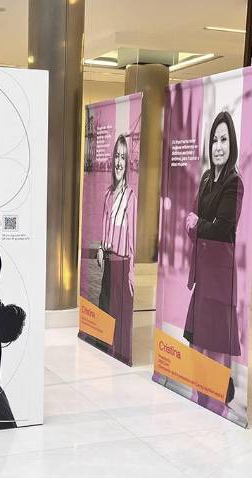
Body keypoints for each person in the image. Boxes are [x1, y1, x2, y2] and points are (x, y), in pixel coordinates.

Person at [184, 111, 244, 407]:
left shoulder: (234, 183)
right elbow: (196, 219)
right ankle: (201, 393)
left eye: (224, 140)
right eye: (214, 140)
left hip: (221, 278)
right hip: (204, 274)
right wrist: (198, 226)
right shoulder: (207, 178)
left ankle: (217, 397)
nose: (218, 146)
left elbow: (223, 228)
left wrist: (198, 225)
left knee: (217, 345)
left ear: (231, 143)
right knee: (196, 341)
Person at [95, 134, 137, 362]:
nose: (119, 162)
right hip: (109, 263)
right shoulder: (107, 195)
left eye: (123, 157)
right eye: (117, 157)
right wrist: (101, 249)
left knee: (121, 316)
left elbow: (132, 238)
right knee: (105, 309)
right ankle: (105, 353)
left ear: (127, 163)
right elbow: (104, 227)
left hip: (122, 264)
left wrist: (131, 270)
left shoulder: (131, 197)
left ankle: (121, 356)